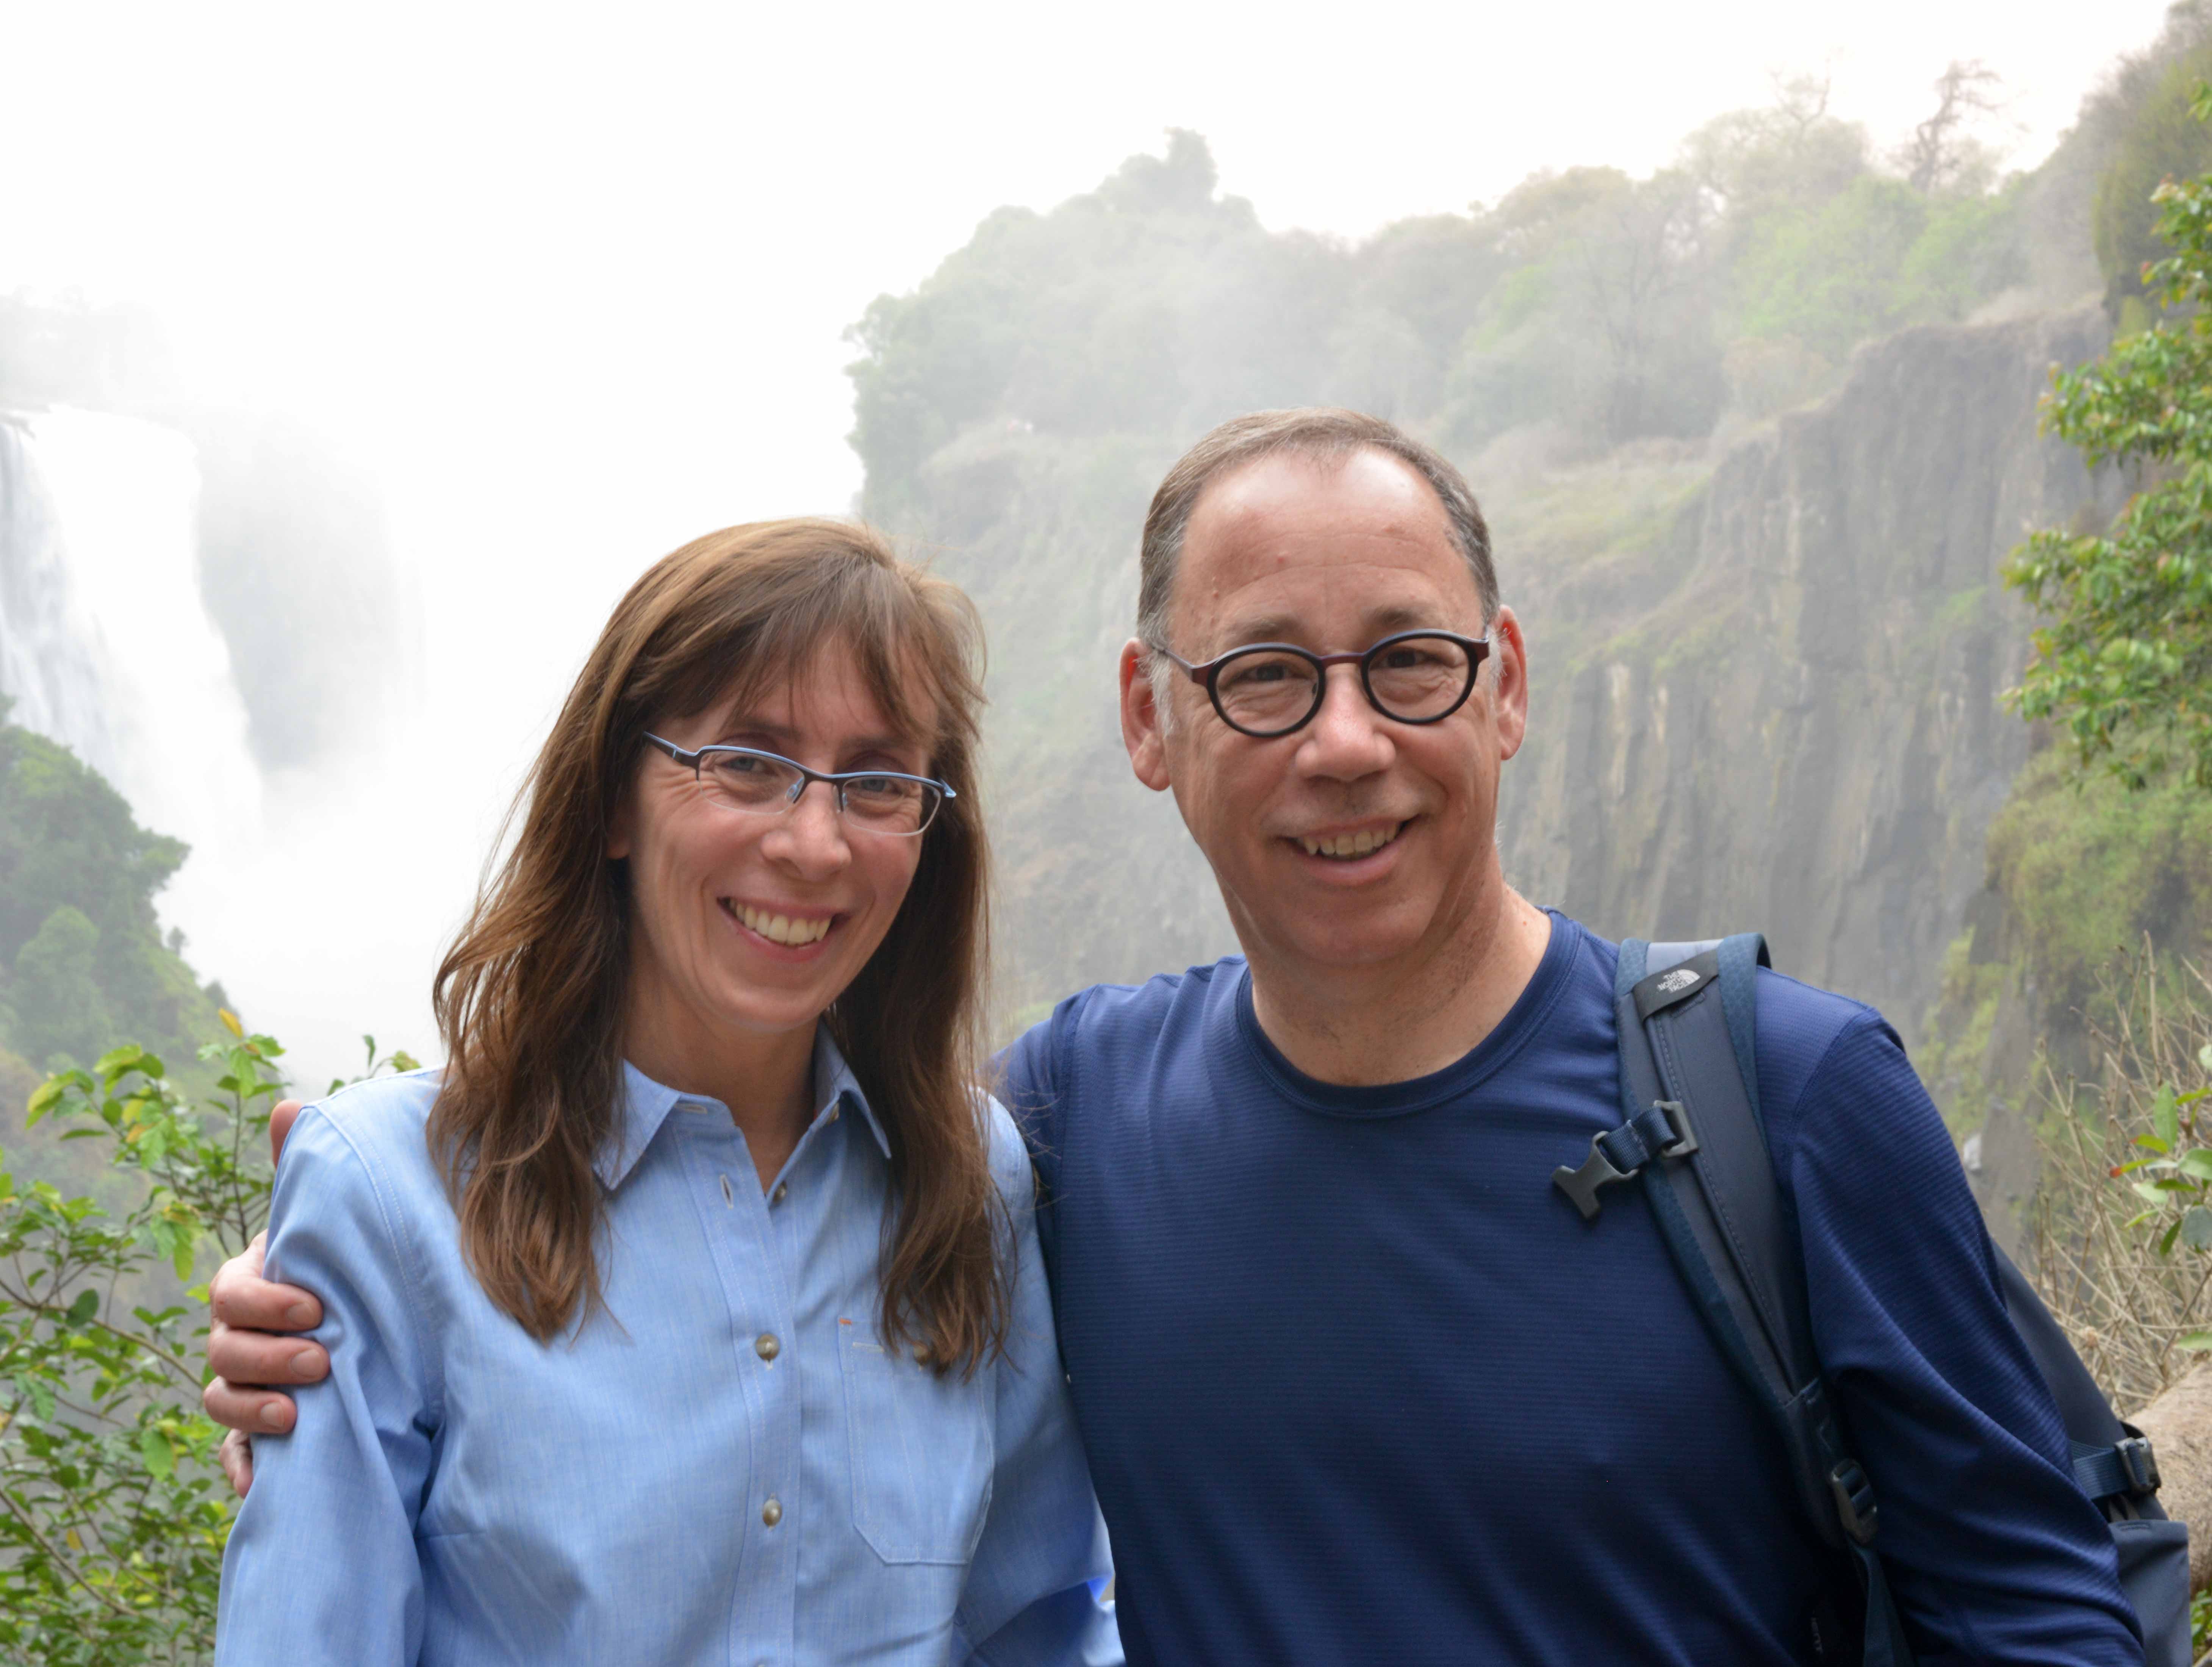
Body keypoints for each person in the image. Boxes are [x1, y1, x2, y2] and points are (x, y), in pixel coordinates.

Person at [208, 413, 2144, 1664]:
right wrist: (326, 1308)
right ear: (1151, 721)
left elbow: (2037, 1618)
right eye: (1260, 675)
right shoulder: (1067, 1129)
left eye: (1405, 657)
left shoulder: (1780, 1095)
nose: (1342, 741)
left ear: (1505, 688)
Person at [210, 520, 1117, 1665]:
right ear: (612, 802)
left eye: (879, 782)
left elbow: (1031, 1630)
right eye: (748, 762)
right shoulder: (391, 1196)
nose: (814, 841)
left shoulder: (967, 1175)